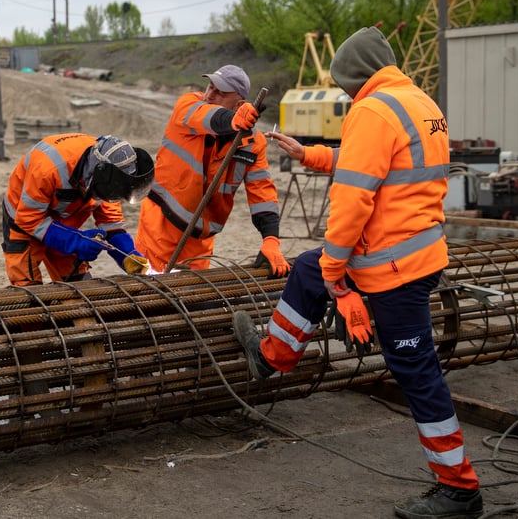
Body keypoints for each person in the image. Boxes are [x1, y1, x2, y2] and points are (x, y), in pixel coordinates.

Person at [232, 27, 481, 518]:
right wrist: (310, 155)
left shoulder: (371, 110)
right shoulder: (418, 103)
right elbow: (371, 163)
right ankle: (271, 356)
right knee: (305, 269)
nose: (346, 93)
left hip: (393, 267)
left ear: (356, 76)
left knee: (416, 371)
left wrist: (335, 271)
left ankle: (460, 488)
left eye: (345, 84)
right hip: (420, 255)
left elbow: (353, 198)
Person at [135, 64, 289, 275]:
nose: (210, 95)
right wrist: (233, 120)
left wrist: (271, 239)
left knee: (191, 298)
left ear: (240, 103)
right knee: (151, 294)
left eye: (221, 92)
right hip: (160, 226)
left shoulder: (253, 143)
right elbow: (210, 116)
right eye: (210, 87)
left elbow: (262, 193)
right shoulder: (189, 104)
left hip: (200, 236)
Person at [2, 133, 153, 285]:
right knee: (28, 289)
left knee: (78, 286)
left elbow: (111, 223)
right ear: (97, 174)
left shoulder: (112, 174)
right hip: (25, 217)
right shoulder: (47, 169)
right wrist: (75, 240)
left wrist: (128, 253)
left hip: (63, 219)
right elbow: (29, 219)